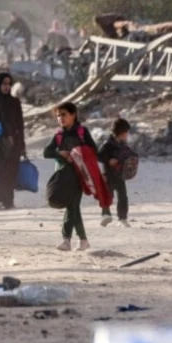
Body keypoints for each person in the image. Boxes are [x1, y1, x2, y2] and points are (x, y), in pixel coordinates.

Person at [42, 101, 107, 251]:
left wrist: (78, 152)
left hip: (80, 175)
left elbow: (93, 150)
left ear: (73, 115)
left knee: (72, 206)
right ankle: (83, 240)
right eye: (58, 116)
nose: (61, 119)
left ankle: (67, 240)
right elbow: (46, 152)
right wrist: (60, 153)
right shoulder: (58, 135)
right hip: (63, 174)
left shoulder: (82, 132)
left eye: (64, 115)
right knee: (73, 206)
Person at [0, 72, 25, 210]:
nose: (6, 87)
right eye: (4, 84)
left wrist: (22, 144)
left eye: (9, 84)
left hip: (13, 142)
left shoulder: (14, 102)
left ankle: (8, 201)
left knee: (11, 171)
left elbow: (20, 124)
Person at [98, 118, 132, 227]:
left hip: (120, 175)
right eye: (126, 132)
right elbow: (99, 156)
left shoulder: (123, 145)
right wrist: (109, 160)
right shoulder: (107, 144)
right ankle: (105, 214)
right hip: (108, 175)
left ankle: (122, 218)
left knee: (123, 196)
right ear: (121, 133)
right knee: (108, 195)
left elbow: (130, 154)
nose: (127, 135)